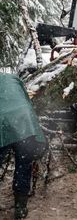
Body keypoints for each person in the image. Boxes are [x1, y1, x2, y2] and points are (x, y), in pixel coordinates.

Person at [0, 73, 47, 219]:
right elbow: (27, 101)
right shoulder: (13, 78)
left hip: (2, 124)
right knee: (23, 166)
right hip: (24, 122)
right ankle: (20, 209)